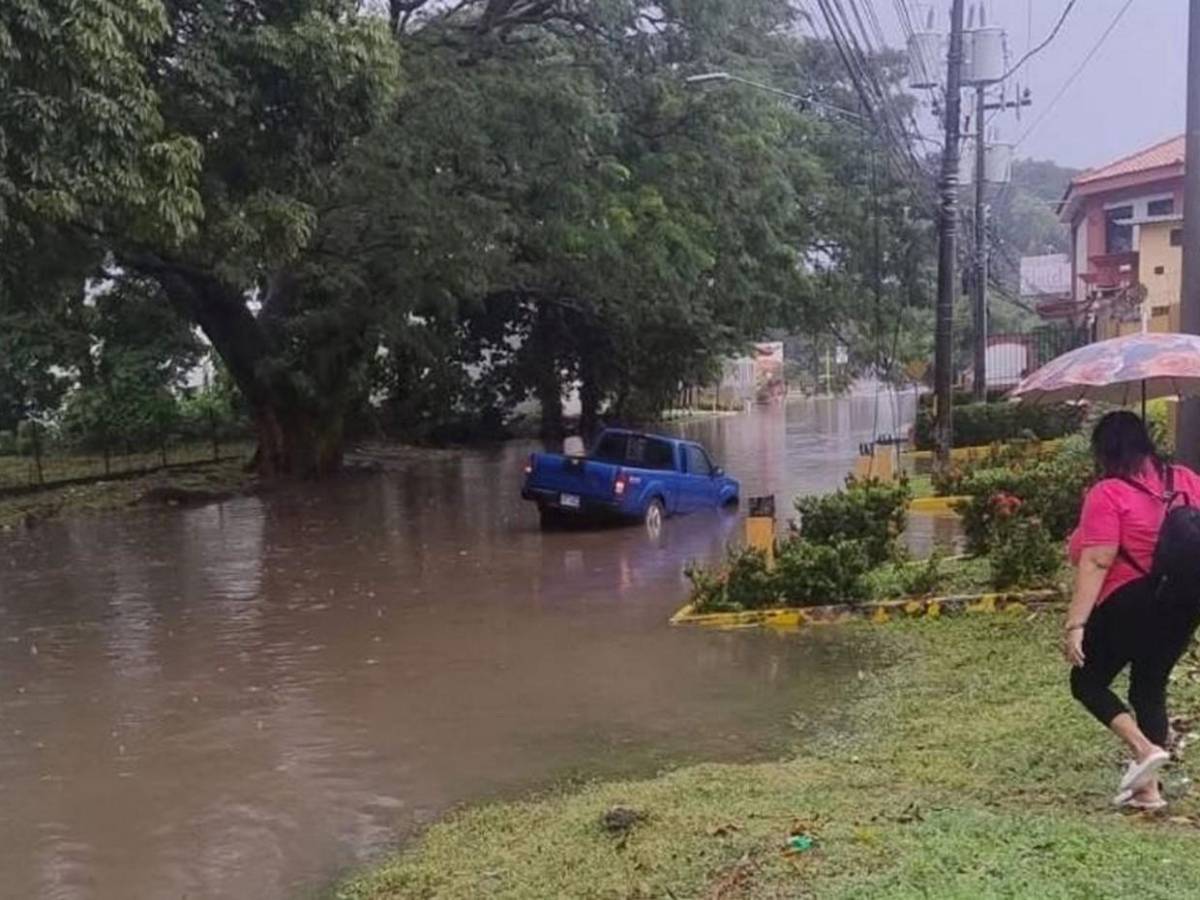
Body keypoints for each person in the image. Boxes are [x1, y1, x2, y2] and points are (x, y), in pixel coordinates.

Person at [1065, 411, 1200, 810]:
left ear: (1103, 451)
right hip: (1185, 601)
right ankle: (1148, 791)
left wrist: (1076, 623)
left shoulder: (1108, 493)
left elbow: (1097, 561)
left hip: (1132, 600)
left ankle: (1143, 749)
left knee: (1086, 682)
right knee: (1149, 686)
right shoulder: (1185, 479)